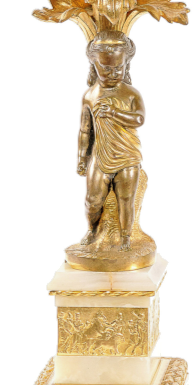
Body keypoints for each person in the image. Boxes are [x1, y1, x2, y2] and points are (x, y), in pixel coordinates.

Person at [77, 30, 146, 252]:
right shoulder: (90, 95)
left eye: (119, 68)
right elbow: (85, 131)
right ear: (94, 65)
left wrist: (114, 113)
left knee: (126, 199)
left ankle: (126, 238)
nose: (113, 73)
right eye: (106, 68)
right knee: (92, 200)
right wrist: (82, 158)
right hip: (100, 155)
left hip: (127, 155)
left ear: (126, 65)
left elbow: (139, 119)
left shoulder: (131, 94)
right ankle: (92, 229)